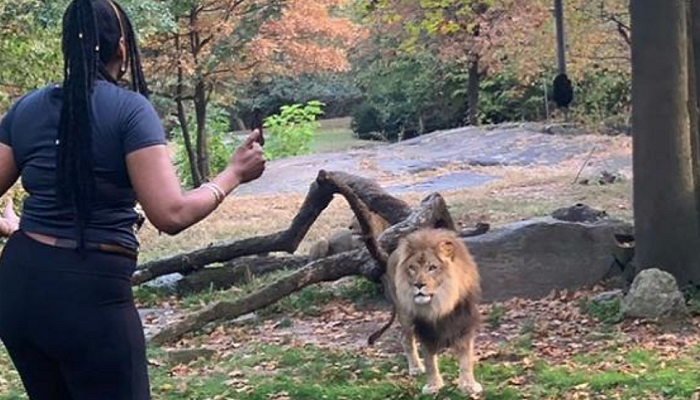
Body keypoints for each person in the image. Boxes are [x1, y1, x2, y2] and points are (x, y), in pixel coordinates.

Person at [0, 0, 266, 399]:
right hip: (91, 296)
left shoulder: (25, 108)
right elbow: (170, 214)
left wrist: (21, 230)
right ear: (122, 48)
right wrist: (233, 175)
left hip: (19, 287)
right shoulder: (129, 110)